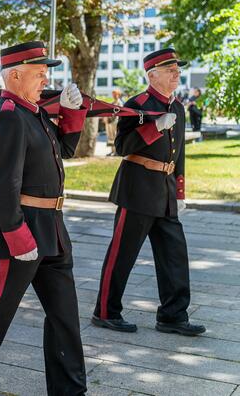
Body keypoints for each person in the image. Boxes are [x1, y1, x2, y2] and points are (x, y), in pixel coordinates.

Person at [0, 41, 88, 396]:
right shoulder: (10, 116)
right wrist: (18, 235)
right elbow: (3, 186)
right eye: (40, 73)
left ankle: (70, 390)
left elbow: (65, 149)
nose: (46, 80)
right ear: (15, 74)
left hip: (53, 229)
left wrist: (72, 112)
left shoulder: (33, 111)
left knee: (65, 318)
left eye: (46, 74)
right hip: (22, 228)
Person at [92, 48, 205, 336]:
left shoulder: (178, 107)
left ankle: (173, 315)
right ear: (152, 74)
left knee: (174, 255)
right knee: (123, 254)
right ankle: (105, 312)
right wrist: (154, 127)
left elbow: (179, 155)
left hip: (165, 191)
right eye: (170, 70)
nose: (176, 74)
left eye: (177, 70)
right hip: (138, 189)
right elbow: (122, 148)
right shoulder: (137, 104)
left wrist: (179, 192)